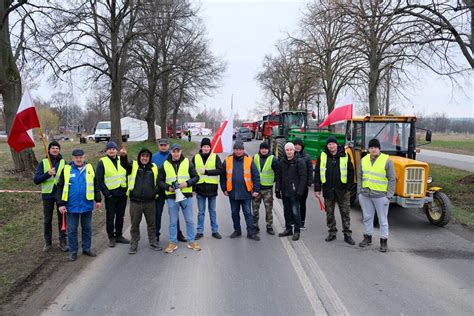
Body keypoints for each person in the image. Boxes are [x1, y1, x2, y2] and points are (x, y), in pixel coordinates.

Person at [56, 149, 101, 262]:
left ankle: (86, 248)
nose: (79, 159)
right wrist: (61, 204)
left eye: (81, 157)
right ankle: (73, 251)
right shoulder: (66, 169)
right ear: (72, 158)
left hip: (86, 204)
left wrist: (98, 199)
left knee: (87, 228)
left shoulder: (90, 168)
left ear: (84, 157)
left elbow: (95, 185)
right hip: (72, 206)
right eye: (76, 157)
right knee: (72, 230)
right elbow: (60, 187)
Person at [158, 143, 201, 253]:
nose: (176, 153)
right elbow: (159, 181)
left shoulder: (187, 162)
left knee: (189, 220)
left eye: (178, 151)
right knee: (173, 221)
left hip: (186, 196)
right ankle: (173, 242)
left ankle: (191, 241)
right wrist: (168, 187)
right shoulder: (165, 164)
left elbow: (196, 177)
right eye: (174, 151)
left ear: (180, 151)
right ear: (171, 152)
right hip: (171, 197)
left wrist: (187, 183)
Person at [120, 147, 162, 254]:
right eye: (143, 156)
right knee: (134, 224)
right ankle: (134, 244)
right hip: (135, 202)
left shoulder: (154, 168)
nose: (144, 158)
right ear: (139, 157)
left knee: (151, 224)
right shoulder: (133, 165)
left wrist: (155, 191)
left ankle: (153, 242)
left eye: (147, 156)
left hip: (150, 202)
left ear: (149, 158)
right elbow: (124, 164)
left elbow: (158, 181)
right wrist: (123, 156)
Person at [314, 136, 355, 245]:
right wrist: (317, 189)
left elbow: (351, 171)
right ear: (327, 146)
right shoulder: (322, 156)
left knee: (345, 213)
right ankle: (332, 232)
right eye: (329, 144)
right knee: (329, 213)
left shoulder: (345, 155)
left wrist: (348, 187)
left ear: (337, 145)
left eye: (333, 144)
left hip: (342, 190)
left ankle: (347, 234)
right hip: (328, 190)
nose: (331, 146)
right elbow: (317, 173)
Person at [358, 138, 396, 252]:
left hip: (380, 196)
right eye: (371, 147)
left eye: (375, 147)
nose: (373, 149)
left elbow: (392, 179)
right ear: (368, 149)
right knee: (367, 217)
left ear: (379, 148)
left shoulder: (387, 160)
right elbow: (359, 176)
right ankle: (367, 238)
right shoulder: (364, 160)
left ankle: (383, 242)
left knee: (382, 220)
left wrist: (389, 196)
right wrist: (360, 191)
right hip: (365, 195)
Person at [220, 141, 261, 241]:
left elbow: (256, 176)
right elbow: (223, 176)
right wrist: (224, 188)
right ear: (233, 150)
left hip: (246, 192)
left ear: (243, 150)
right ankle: (237, 231)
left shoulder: (249, 160)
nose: (238, 151)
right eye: (236, 149)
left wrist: (256, 189)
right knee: (234, 213)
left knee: (248, 213)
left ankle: (250, 233)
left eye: (240, 149)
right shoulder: (227, 160)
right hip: (232, 192)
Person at [34, 141, 68, 252]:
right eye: (52, 148)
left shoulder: (64, 162)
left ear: (59, 150)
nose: (55, 150)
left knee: (62, 219)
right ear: (48, 150)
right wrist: (47, 174)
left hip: (61, 195)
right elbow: (36, 180)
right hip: (47, 195)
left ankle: (63, 242)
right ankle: (48, 243)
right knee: (47, 219)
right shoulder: (43, 162)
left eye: (57, 148)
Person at [152, 138, 186, 243]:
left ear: (168, 146)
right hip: (159, 189)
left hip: (172, 190)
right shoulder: (153, 157)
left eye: (165, 145)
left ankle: (178, 233)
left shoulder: (173, 155)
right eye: (161, 145)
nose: (163, 147)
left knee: (174, 213)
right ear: (159, 146)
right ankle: (156, 235)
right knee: (157, 213)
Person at [96, 141, 130, 247]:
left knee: (120, 216)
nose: (112, 150)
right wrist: (107, 194)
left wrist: (127, 189)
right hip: (110, 194)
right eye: (109, 149)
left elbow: (128, 172)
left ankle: (119, 235)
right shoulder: (102, 162)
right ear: (106, 151)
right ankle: (111, 237)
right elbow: (99, 180)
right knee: (110, 216)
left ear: (117, 150)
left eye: (114, 148)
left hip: (122, 193)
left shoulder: (122, 160)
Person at [192, 138, 223, 240]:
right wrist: (192, 188)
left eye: (208, 147)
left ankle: (215, 231)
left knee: (212, 211)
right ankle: (199, 231)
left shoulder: (215, 157)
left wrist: (207, 172)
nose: (206, 148)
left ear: (210, 147)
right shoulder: (196, 157)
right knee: (201, 212)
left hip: (212, 189)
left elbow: (220, 170)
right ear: (201, 147)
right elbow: (191, 173)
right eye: (204, 146)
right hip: (200, 189)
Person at [275, 142, 307, 241]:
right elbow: (279, 177)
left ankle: (297, 231)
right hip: (285, 191)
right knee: (286, 211)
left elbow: (303, 178)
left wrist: (300, 192)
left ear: (294, 150)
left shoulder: (299, 162)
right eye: (287, 150)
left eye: (291, 150)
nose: (289, 152)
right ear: (285, 151)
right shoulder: (282, 162)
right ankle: (288, 229)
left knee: (295, 212)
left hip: (295, 192)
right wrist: (277, 189)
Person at [252, 141, 279, 235]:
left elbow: (277, 173)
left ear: (268, 149)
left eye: (265, 149)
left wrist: (273, 182)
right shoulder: (255, 157)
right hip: (256, 188)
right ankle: (255, 226)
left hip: (267, 189)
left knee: (268, 209)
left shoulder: (273, 159)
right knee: (255, 209)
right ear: (260, 149)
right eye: (262, 148)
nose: (263, 150)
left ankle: (269, 226)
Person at [293, 138, 313, 230]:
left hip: (303, 185)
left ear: (302, 146)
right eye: (295, 145)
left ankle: (302, 222)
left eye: (299, 145)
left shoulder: (307, 157)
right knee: (293, 203)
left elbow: (310, 170)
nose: (297, 146)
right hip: (293, 185)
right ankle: (294, 221)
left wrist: (309, 182)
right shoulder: (290, 155)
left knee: (302, 204)